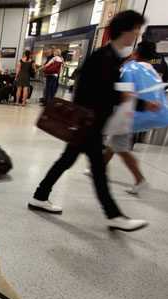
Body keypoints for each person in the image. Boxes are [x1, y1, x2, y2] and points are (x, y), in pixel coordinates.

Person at [28, 11, 157, 232]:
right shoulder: (104, 57)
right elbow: (96, 92)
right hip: (90, 124)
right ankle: (113, 214)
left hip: (89, 124)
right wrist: (136, 102)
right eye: (135, 28)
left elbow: (108, 92)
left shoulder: (111, 56)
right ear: (125, 30)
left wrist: (137, 102)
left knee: (68, 161)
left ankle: (40, 196)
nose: (137, 34)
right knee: (96, 169)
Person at [86, 41, 161, 195]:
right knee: (114, 143)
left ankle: (140, 179)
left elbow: (125, 90)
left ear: (137, 53)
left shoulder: (135, 69)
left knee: (121, 147)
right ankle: (97, 169)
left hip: (127, 113)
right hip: (138, 115)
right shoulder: (151, 71)